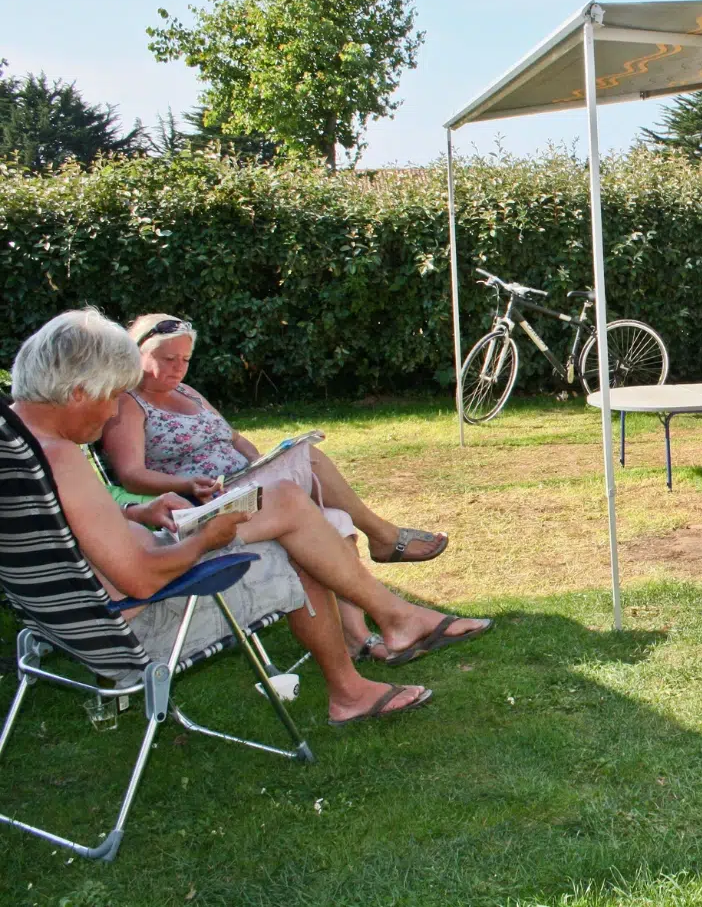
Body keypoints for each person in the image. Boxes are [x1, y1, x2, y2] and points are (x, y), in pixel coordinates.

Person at [9, 309, 491, 725]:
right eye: (111, 395)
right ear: (76, 392)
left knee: (281, 498)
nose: (114, 408)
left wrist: (135, 511)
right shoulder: (59, 457)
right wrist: (209, 539)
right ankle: (354, 685)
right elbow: (139, 578)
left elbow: (71, 524)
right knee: (295, 543)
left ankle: (395, 621)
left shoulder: (18, 444)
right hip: (140, 621)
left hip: (71, 622)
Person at [101, 313, 446, 662]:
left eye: (185, 360)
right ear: (137, 353)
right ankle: (384, 537)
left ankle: (357, 637)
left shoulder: (188, 392)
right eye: (167, 359)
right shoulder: (129, 403)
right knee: (307, 458)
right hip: (204, 501)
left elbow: (234, 437)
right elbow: (131, 474)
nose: (178, 368)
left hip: (242, 481)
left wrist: (260, 461)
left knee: (335, 517)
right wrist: (186, 482)